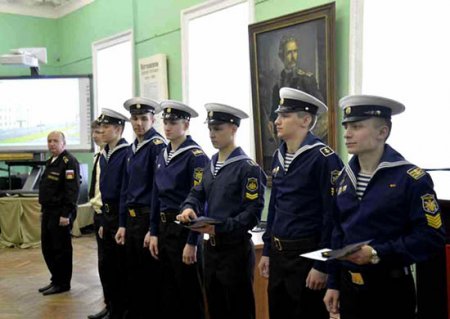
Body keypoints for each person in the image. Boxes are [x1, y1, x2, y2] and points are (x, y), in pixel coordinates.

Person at [323, 95, 446, 319]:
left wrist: (378, 252)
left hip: (390, 290)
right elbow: (338, 232)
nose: (347, 133)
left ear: (382, 132)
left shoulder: (411, 178)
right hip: (350, 288)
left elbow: (431, 236)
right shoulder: (343, 178)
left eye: (357, 126)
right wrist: (333, 283)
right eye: (346, 126)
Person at [258, 88, 343, 319]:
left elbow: (332, 217)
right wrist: (267, 250)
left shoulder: (324, 158)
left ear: (305, 120)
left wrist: (322, 265)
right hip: (278, 254)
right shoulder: (278, 156)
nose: (277, 121)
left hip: (307, 257)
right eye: (278, 115)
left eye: (285, 116)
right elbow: (274, 206)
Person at [177, 103, 266, 319]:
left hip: (234, 251)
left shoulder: (248, 168)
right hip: (211, 250)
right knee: (216, 308)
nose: (212, 134)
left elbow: (252, 213)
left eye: (218, 129)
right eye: (210, 129)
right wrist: (188, 207)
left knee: (238, 309)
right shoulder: (212, 163)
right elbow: (197, 192)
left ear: (234, 129)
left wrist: (220, 228)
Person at [148, 100, 209, 319]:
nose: (168, 126)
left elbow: (201, 201)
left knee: (189, 293)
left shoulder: (196, 156)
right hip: (165, 229)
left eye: (174, 122)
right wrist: (153, 230)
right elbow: (156, 195)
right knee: (168, 291)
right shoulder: (162, 155)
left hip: (184, 230)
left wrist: (192, 242)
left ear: (186, 124)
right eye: (165, 121)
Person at [118, 97, 166, 318]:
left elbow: (158, 190)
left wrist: (152, 228)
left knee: (150, 277)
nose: (139, 123)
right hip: (131, 219)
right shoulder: (133, 147)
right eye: (135, 119)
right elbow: (125, 188)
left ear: (153, 119)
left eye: (144, 119)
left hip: (147, 219)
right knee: (133, 273)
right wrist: (122, 223)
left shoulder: (157, 147)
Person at [38, 131, 80, 296]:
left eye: (55, 141)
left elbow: (72, 190)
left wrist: (66, 214)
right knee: (47, 247)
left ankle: (63, 283)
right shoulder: (51, 161)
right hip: (48, 211)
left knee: (60, 249)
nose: (52, 144)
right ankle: (55, 279)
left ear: (64, 143)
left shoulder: (69, 162)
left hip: (60, 213)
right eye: (49, 141)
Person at [97, 108, 129, 319]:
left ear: (118, 129)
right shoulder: (104, 154)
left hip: (119, 216)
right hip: (106, 216)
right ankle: (110, 306)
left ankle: (120, 310)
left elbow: (125, 191)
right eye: (102, 126)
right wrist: (101, 220)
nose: (102, 130)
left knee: (120, 269)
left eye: (107, 127)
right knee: (106, 266)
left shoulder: (126, 153)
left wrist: (121, 223)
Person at [87, 120, 109, 319]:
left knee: (110, 264)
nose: (96, 135)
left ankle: (114, 306)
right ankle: (108, 304)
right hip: (98, 213)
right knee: (103, 263)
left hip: (107, 215)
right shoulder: (99, 156)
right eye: (94, 132)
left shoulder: (113, 156)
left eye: (99, 131)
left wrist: (104, 219)